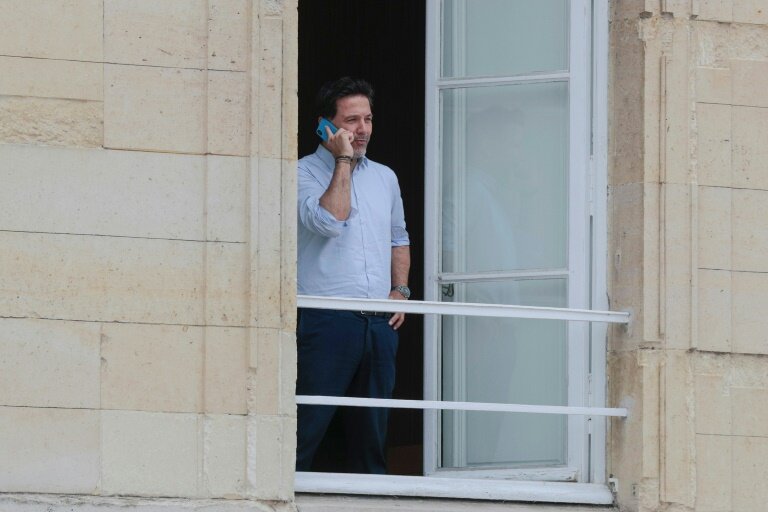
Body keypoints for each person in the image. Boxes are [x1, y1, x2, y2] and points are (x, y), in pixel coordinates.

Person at [296, 77, 411, 474]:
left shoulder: (385, 177)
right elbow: (330, 220)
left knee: (372, 435)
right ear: (325, 126)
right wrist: (342, 161)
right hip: (324, 320)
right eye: (351, 121)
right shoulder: (301, 173)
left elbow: (399, 238)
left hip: (379, 322)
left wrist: (400, 291)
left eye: (368, 119)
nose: (363, 130)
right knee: (307, 427)